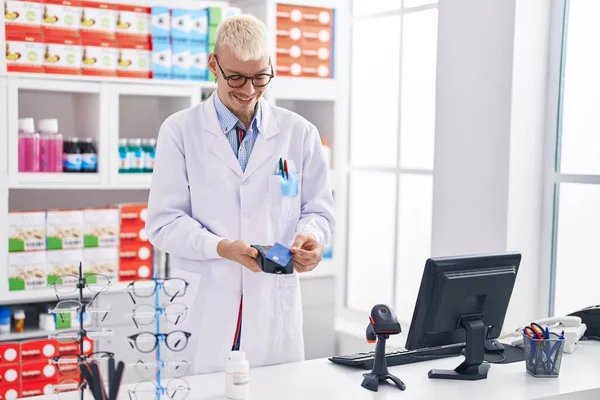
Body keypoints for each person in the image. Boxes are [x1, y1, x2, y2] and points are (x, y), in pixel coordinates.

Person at [145, 14, 335, 375]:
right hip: (206, 307)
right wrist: (221, 247)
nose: (248, 90)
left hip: (271, 306)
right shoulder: (180, 132)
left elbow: (319, 210)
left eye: (260, 77)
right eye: (236, 78)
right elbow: (163, 223)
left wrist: (312, 237)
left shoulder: (299, 133)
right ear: (213, 66)